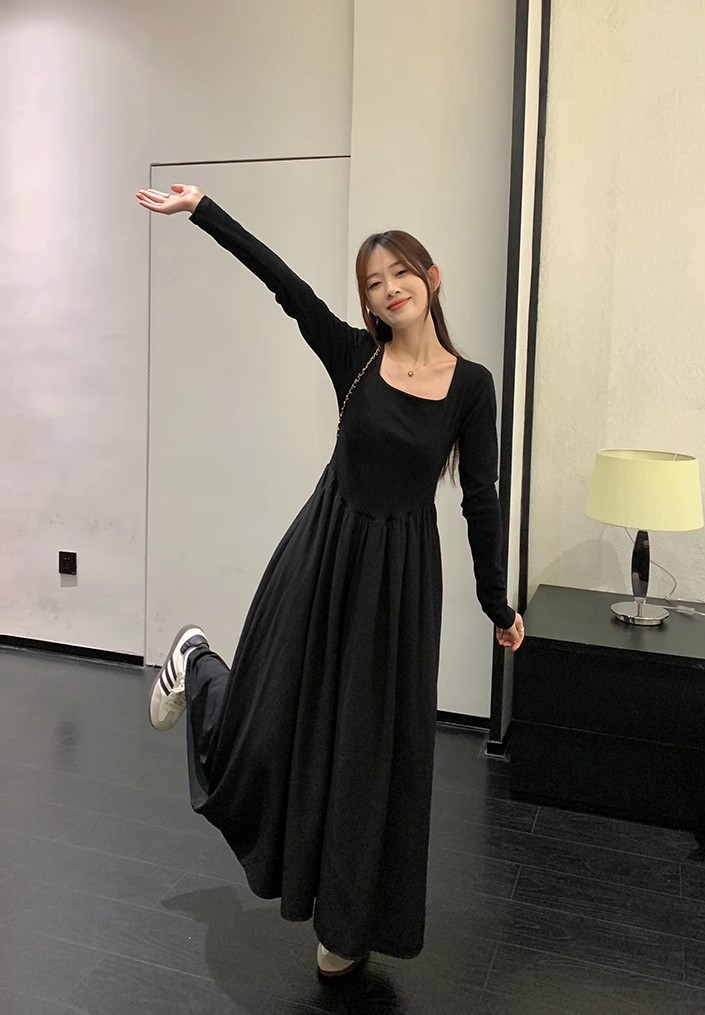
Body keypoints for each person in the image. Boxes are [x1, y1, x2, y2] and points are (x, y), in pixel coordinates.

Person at [135, 183, 525, 978]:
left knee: (372, 752)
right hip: (324, 556)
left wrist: (496, 601)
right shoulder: (355, 358)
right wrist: (205, 209)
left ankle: (346, 923)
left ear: (432, 277)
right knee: (272, 719)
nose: (389, 289)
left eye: (401, 273)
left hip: (402, 582)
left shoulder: (472, 385)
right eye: (374, 282)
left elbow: (480, 498)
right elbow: (284, 285)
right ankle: (198, 664)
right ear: (369, 302)